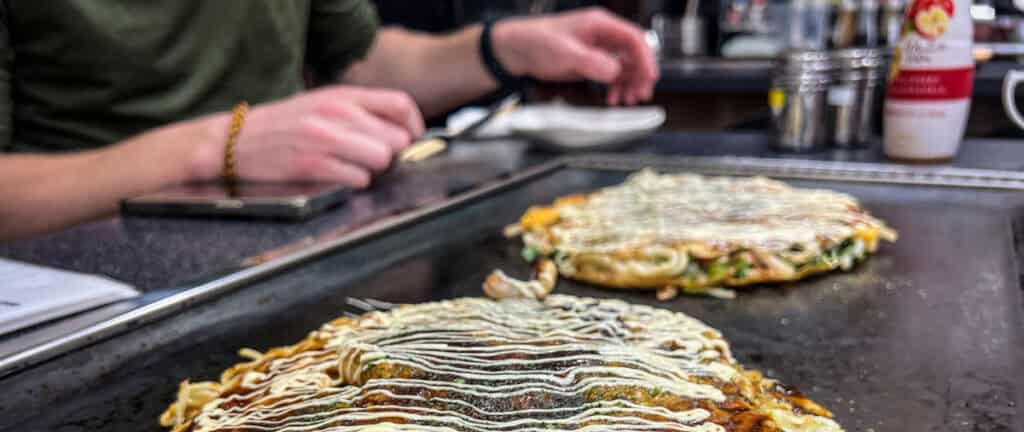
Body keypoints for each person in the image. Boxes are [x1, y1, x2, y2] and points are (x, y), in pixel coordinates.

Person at [0, 2, 657, 240]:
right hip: (86, 282)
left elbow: (364, 60)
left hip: (284, 255)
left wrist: (503, 47)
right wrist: (216, 146)